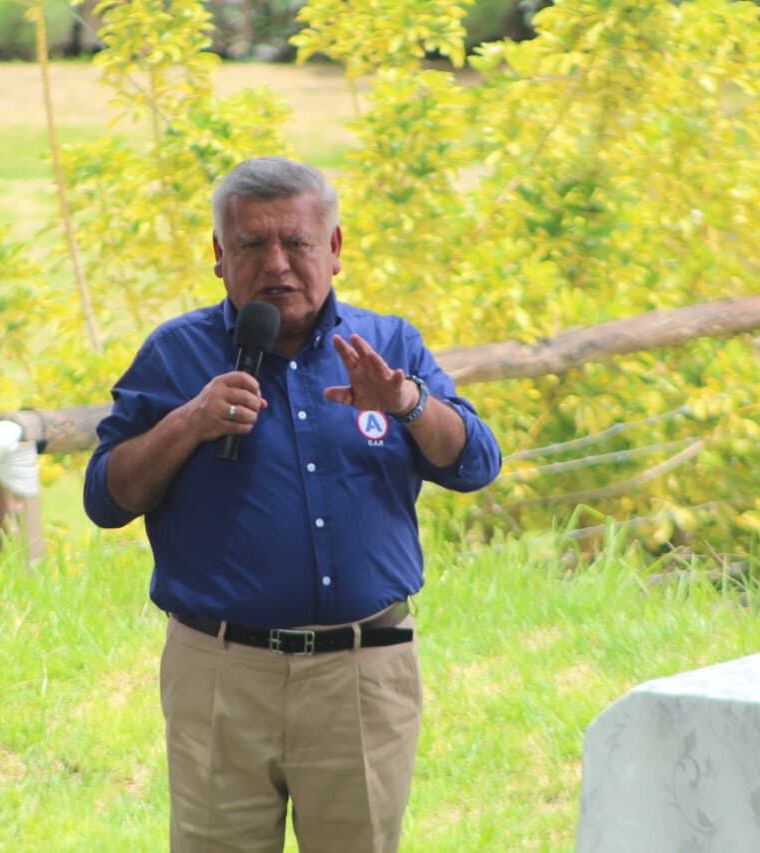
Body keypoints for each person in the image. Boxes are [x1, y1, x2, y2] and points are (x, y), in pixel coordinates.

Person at [83, 156, 501, 852]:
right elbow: (106, 498)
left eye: (296, 242)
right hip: (221, 675)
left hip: (361, 674)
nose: (276, 263)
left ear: (333, 248)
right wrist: (190, 421)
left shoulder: (387, 346)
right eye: (251, 244)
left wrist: (407, 402)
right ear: (219, 255)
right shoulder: (176, 355)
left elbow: (476, 462)